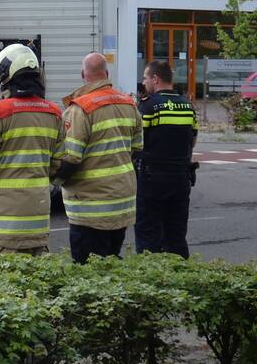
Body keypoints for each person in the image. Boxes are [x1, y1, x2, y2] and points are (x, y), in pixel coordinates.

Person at [0, 44, 64, 255]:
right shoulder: (54, 114)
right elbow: (58, 167)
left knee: (2, 285)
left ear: (8, 78)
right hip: (39, 224)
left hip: (4, 228)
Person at [55, 52, 143, 264]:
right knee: (111, 265)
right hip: (121, 202)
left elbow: (71, 159)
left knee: (86, 270)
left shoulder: (80, 109)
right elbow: (137, 149)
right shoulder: (129, 104)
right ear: (106, 73)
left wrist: (54, 181)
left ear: (83, 74)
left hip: (89, 208)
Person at [135, 60, 197, 258]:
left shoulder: (148, 106)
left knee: (148, 236)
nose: (143, 82)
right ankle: (179, 278)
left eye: (145, 78)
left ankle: (151, 281)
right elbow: (192, 141)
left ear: (155, 79)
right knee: (176, 235)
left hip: (152, 179)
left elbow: (138, 143)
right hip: (181, 178)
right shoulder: (188, 106)